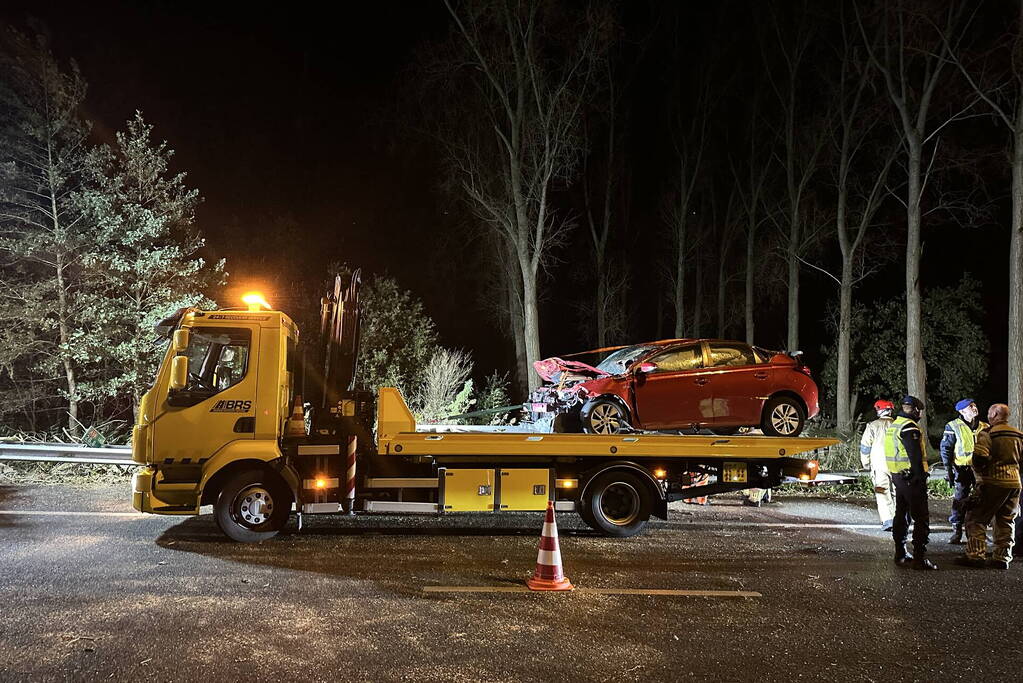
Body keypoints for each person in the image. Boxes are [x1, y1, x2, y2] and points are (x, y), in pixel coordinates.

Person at [955, 404, 1023, 570]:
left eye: (989, 413)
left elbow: (980, 457)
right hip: (1014, 483)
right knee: (1006, 519)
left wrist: (980, 473)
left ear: (994, 414)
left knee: (976, 517)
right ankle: (1002, 557)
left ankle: (975, 555)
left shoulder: (988, 434)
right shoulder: (1019, 435)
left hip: (993, 482)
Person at [884, 395, 937, 570]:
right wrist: (920, 477)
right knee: (921, 517)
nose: (920, 414)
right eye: (919, 411)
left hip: (899, 477)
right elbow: (914, 455)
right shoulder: (909, 427)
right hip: (911, 478)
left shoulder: (895, 425)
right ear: (915, 410)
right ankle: (919, 558)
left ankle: (900, 552)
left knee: (901, 514)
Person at [940, 398, 988, 544]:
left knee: (982, 499)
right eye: (970, 406)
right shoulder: (953, 426)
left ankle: (978, 531)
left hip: (981, 469)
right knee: (960, 499)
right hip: (962, 469)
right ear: (962, 411)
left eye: (974, 405)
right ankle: (957, 529)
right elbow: (946, 449)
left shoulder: (985, 426)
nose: (974, 408)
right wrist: (948, 469)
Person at [860, 399, 896, 530]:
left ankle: (888, 520)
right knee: (897, 492)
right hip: (897, 465)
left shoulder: (873, 426)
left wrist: (866, 463)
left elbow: (865, 447)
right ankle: (899, 519)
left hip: (879, 465)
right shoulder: (898, 425)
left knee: (882, 491)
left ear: (879, 411)